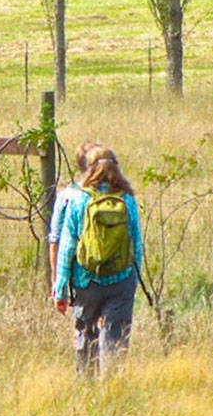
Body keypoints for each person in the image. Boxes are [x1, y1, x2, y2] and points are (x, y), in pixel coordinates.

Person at [53, 145, 144, 374]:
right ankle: (112, 389)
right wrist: (134, 280)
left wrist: (61, 290)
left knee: (86, 334)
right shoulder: (127, 199)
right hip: (121, 280)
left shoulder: (78, 200)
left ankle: (86, 387)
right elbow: (137, 243)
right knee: (116, 339)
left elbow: (67, 247)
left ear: (88, 169)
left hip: (86, 282)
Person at [47, 140, 102, 294]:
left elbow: (55, 240)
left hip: (82, 277)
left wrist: (57, 282)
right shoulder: (119, 195)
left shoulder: (67, 196)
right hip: (116, 276)